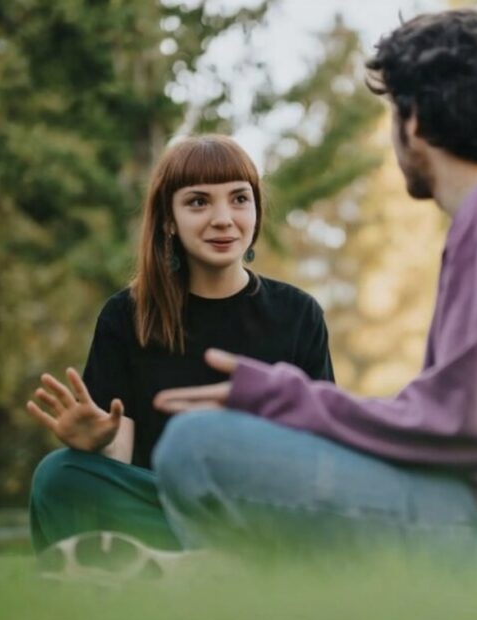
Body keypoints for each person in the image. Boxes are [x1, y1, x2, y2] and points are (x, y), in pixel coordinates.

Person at [150, 9, 477, 566]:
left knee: (198, 448)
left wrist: (285, 399)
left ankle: (224, 598)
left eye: (393, 114)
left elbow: (469, 426)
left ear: (414, 121)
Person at [26, 135, 334, 553]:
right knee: (58, 476)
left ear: (256, 210)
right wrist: (98, 445)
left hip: (262, 515)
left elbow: (320, 451)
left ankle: (213, 567)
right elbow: (122, 451)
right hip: (163, 514)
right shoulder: (126, 316)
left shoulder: (299, 315)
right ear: (169, 219)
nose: (224, 218)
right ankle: (203, 567)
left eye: (239, 199)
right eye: (198, 202)